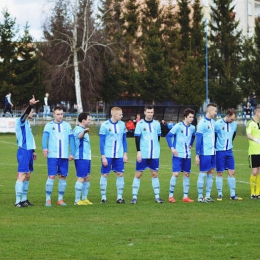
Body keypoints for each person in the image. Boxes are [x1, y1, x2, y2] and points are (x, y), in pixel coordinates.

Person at [42, 106, 75, 206]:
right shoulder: (49, 125)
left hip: (64, 156)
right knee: (51, 176)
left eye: (61, 114)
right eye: (58, 114)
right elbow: (45, 138)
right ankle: (48, 199)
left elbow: (72, 140)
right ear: (53, 115)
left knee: (63, 177)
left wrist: (72, 153)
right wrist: (44, 148)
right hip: (52, 155)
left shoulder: (67, 126)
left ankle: (60, 199)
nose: (60, 116)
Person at [130, 105, 163, 204]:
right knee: (138, 174)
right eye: (148, 112)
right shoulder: (140, 124)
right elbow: (137, 138)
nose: (150, 114)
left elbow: (158, 137)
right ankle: (134, 197)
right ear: (144, 113)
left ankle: (157, 196)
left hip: (154, 154)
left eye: (151, 112)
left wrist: (156, 149)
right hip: (143, 153)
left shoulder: (157, 124)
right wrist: (139, 151)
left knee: (154, 174)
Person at [166, 108, 196, 203]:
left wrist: (191, 143)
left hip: (188, 155)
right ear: (185, 117)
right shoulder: (178, 126)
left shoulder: (192, 128)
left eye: (192, 117)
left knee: (187, 174)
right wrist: (172, 148)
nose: (191, 119)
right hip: (178, 154)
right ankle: (170, 196)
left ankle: (185, 197)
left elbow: (194, 136)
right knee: (176, 174)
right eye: (190, 117)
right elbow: (168, 136)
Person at [99, 107, 128, 204]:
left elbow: (124, 140)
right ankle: (103, 197)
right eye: (120, 114)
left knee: (120, 174)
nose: (122, 116)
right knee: (105, 174)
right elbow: (101, 142)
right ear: (114, 115)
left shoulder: (122, 125)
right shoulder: (104, 125)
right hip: (108, 154)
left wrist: (125, 153)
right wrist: (103, 156)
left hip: (119, 155)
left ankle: (119, 197)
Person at [14, 95, 39, 207]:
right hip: (23, 151)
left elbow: (29, 138)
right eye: (31, 112)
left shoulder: (27, 124)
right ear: (27, 112)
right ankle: (17, 201)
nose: (32, 113)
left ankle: (24, 199)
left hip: (29, 151)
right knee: (22, 175)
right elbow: (24, 115)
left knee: (28, 175)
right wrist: (30, 106)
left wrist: (33, 151)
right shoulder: (21, 121)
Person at [215, 109, 242, 201]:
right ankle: (219, 194)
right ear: (227, 115)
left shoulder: (234, 124)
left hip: (229, 151)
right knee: (220, 173)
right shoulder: (217, 124)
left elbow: (233, 135)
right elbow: (214, 137)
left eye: (234, 119)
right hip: (219, 151)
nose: (232, 121)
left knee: (232, 172)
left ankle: (233, 194)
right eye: (231, 119)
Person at [195, 103, 218, 203]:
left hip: (213, 152)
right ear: (210, 111)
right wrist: (197, 155)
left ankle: (207, 195)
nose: (216, 113)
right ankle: (200, 196)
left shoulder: (213, 122)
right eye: (215, 111)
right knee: (203, 173)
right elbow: (198, 140)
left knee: (211, 172)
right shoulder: (202, 123)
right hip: (205, 153)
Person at [73, 112, 93, 206]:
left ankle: (84, 198)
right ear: (83, 120)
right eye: (88, 119)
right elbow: (79, 136)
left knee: (87, 177)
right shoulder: (78, 129)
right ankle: (77, 200)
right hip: (81, 157)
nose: (90, 120)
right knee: (81, 177)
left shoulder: (84, 129)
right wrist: (84, 132)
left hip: (86, 157)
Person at [246, 106, 260, 199]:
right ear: (257, 113)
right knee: (254, 172)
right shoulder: (250, 123)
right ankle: (252, 193)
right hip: (253, 151)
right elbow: (248, 135)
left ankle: (258, 193)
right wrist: (256, 140)